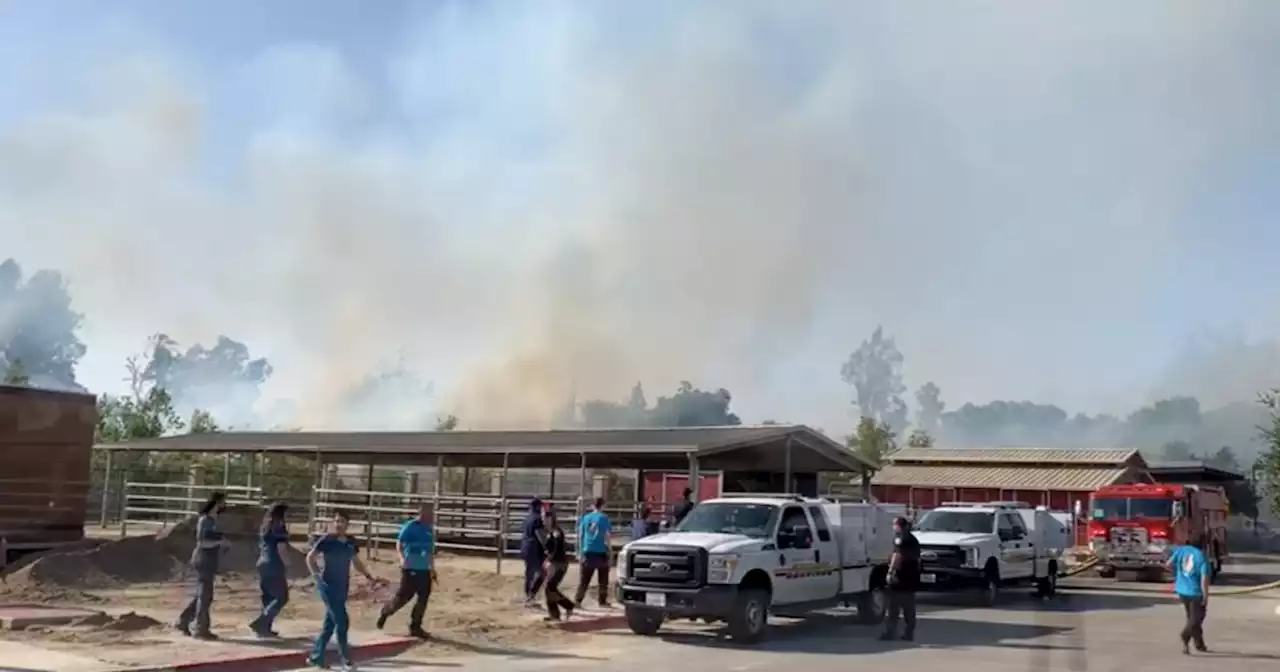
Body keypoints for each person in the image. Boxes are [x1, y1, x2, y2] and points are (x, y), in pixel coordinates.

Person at [306, 509, 379, 671]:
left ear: (347, 524)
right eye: (336, 521)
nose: (338, 524)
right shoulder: (326, 540)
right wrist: (317, 577)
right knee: (342, 621)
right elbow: (310, 558)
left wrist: (369, 576)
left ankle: (316, 657)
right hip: (328, 586)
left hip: (342, 587)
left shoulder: (349, 543)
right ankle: (346, 660)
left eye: (342, 521)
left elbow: (356, 562)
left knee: (329, 625)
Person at [376, 502, 435, 639]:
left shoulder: (429, 529)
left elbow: (430, 550)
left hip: (424, 569)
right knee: (403, 598)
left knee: (423, 597)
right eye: (429, 512)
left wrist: (432, 568)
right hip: (410, 568)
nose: (432, 515)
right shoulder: (410, 527)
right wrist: (402, 559)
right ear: (421, 512)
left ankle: (415, 626)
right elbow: (399, 543)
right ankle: (386, 611)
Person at [176, 492, 227, 640]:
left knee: (202, 595)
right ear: (217, 503)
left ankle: (184, 620)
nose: (225, 505)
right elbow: (203, 542)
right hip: (203, 559)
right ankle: (200, 628)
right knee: (205, 596)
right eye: (223, 502)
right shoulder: (206, 521)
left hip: (208, 560)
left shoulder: (212, 520)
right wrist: (221, 542)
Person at [249, 502, 292, 638]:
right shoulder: (279, 527)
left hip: (262, 562)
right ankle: (261, 623)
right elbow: (281, 548)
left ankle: (265, 628)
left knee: (268, 597)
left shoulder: (265, 526)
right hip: (274, 563)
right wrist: (288, 563)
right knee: (281, 597)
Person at [1167, 532, 1210, 654]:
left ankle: (1199, 644)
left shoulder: (1181, 550)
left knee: (1192, 618)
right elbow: (1204, 579)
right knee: (1196, 619)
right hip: (1195, 592)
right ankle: (1185, 636)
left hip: (1181, 590)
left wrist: (1177, 574)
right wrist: (1205, 596)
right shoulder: (1201, 556)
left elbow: (1168, 564)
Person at [880, 516, 920, 642]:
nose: (893, 527)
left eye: (893, 524)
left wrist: (890, 572)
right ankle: (909, 634)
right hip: (912, 577)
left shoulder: (899, 538)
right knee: (909, 609)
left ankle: (889, 633)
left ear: (898, 525)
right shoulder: (913, 539)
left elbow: (897, 556)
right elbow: (918, 559)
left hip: (900, 576)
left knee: (893, 608)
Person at [574, 497, 613, 608]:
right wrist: (610, 551)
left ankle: (578, 600)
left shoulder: (585, 517)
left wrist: (580, 551)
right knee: (603, 579)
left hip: (587, 550)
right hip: (600, 551)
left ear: (593, 505)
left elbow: (581, 535)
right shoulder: (604, 518)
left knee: (584, 579)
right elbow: (607, 536)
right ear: (602, 505)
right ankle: (602, 601)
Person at [540, 508, 576, 621]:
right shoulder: (550, 532)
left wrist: (548, 560)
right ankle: (555, 613)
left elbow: (557, 549)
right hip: (553, 563)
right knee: (549, 588)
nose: (543, 520)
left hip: (559, 564)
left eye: (545, 517)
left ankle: (568, 606)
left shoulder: (557, 532)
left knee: (549, 587)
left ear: (550, 518)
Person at [520, 498, 547, 604]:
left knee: (529, 573)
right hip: (534, 548)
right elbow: (540, 534)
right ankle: (531, 595)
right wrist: (546, 547)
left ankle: (528, 594)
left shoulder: (527, 518)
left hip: (525, 547)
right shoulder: (537, 519)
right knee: (543, 572)